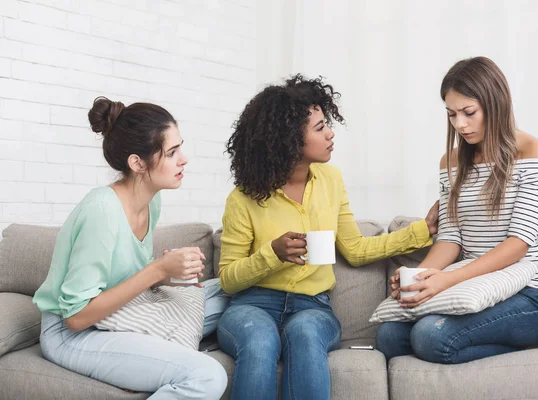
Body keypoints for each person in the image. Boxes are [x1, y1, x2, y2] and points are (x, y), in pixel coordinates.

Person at [216, 74, 438, 400]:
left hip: (312, 306)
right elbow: (228, 280)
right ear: (288, 139)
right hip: (253, 305)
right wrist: (271, 254)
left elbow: (356, 249)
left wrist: (423, 230)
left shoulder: (331, 180)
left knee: (305, 334)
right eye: (320, 128)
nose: (331, 133)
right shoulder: (243, 198)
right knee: (259, 340)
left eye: (326, 125)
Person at [32, 97, 227, 398]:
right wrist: (156, 270)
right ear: (137, 163)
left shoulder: (152, 200)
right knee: (208, 375)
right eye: (172, 152)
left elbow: (127, 275)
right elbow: (76, 317)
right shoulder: (102, 211)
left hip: (122, 311)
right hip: (74, 333)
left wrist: (166, 274)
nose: (184, 159)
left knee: (228, 290)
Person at [376, 56, 538, 364]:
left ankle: (531, 342)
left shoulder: (532, 152)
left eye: (469, 112)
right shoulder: (450, 161)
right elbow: (450, 238)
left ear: (495, 103)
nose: (459, 124)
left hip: (529, 294)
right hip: (473, 287)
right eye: (452, 114)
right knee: (389, 336)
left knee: (429, 336)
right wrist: (421, 276)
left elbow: (518, 244)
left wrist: (447, 280)